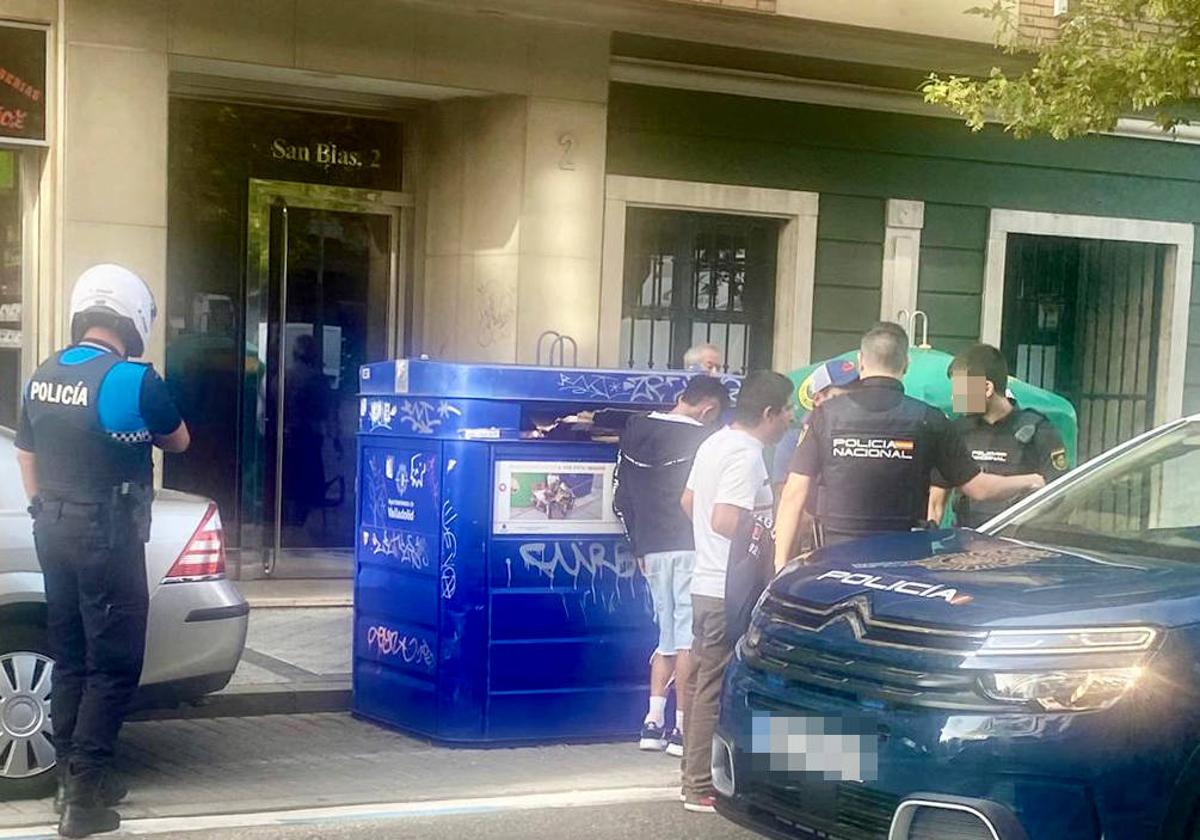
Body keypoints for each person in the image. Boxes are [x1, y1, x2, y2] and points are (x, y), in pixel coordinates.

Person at [15, 264, 190, 838]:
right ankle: (85, 796)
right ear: (131, 317)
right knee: (113, 664)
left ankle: (73, 773)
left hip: (52, 529)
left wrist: (44, 508)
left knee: (70, 654)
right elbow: (180, 439)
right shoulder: (135, 379)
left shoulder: (41, 375)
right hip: (106, 536)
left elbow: (25, 454)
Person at [774, 323, 1046, 569]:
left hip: (837, 554)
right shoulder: (929, 419)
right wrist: (1031, 480)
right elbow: (978, 488)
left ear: (861, 361)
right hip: (902, 557)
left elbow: (793, 495)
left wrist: (780, 566)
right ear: (906, 363)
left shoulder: (825, 415)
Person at [679, 370, 793, 813]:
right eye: (787, 410)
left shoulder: (714, 442)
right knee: (714, 685)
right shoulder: (745, 455)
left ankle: (695, 776)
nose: (791, 418)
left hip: (706, 580)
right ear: (768, 414)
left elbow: (689, 503)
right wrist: (766, 539)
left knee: (705, 678)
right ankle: (698, 784)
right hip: (728, 588)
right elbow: (724, 518)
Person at [613, 376, 730, 758]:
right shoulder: (704, 441)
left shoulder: (634, 430)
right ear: (709, 409)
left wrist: (639, 546)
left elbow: (621, 498)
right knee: (687, 640)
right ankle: (681, 727)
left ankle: (652, 721)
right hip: (691, 547)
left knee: (665, 637)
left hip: (652, 551)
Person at [928, 344, 1069, 528]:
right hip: (965, 543)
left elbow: (1060, 497)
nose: (954, 398)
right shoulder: (957, 431)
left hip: (1017, 544)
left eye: (960, 389)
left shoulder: (1039, 431)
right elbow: (935, 502)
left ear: (987, 388)